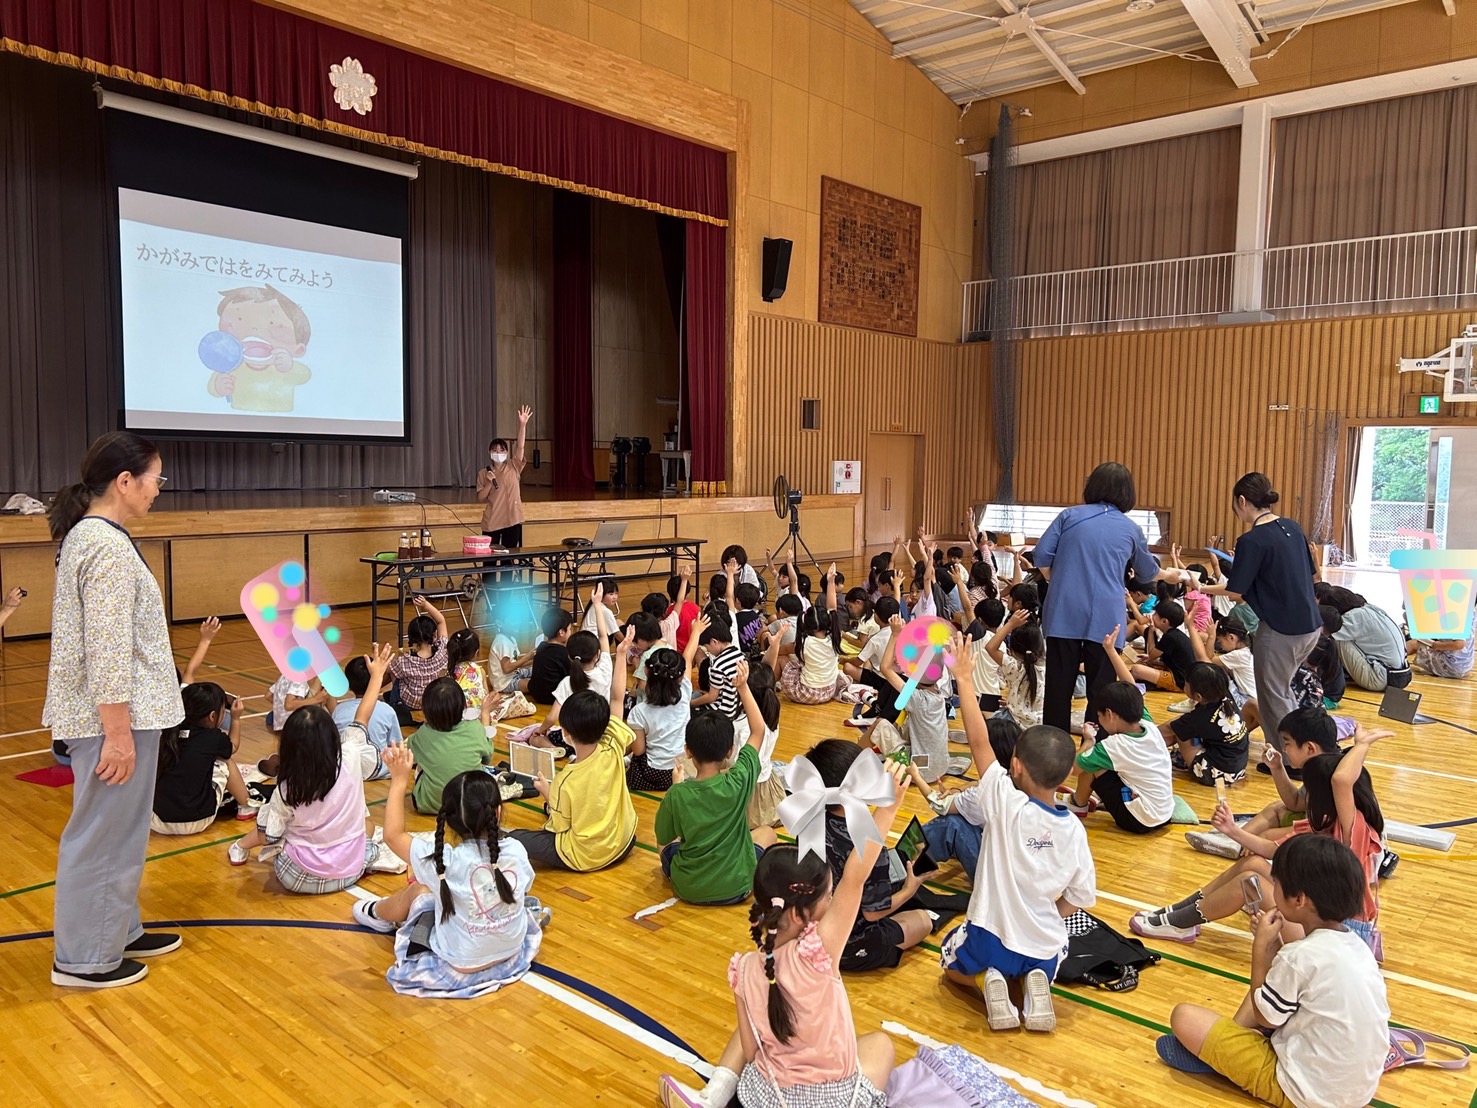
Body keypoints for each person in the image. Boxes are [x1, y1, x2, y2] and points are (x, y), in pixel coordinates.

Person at [658, 784, 911, 1108]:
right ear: (796, 912)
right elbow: (855, 877)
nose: (832, 902)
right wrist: (888, 809)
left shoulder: (746, 967)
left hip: (766, 1099)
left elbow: (751, 1053)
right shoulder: (819, 950)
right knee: (880, 1044)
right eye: (827, 898)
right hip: (835, 1103)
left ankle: (714, 1095)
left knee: (759, 1026)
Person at [44, 431, 184, 988]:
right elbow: (106, 646)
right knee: (103, 833)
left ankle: (116, 928)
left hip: (119, 717)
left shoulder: (96, 538)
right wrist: (118, 734)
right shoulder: (103, 545)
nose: (158, 489)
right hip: (112, 722)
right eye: (155, 479)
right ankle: (83, 959)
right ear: (124, 482)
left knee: (120, 830)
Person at [1156, 835, 1389, 1108]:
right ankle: (1231, 1048)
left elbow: (1266, 1018)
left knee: (1184, 1017)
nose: (1273, 888)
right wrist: (1274, 945)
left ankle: (1222, 1061)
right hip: (1358, 1089)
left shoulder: (1299, 956)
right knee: (1271, 994)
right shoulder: (1356, 947)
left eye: (1277, 884)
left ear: (1300, 899)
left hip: (1306, 1092)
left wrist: (1261, 946)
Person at [940, 642, 1096, 1033]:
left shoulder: (1005, 802)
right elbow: (1078, 897)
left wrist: (962, 677)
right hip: (1042, 943)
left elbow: (978, 742)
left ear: (1015, 765)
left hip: (989, 935)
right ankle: (1033, 981)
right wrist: (1041, 915)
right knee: (1047, 951)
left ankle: (986, 979)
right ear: (1064, 779)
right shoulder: (1074, 830)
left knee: (949, 965)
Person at [1132, 722, 1387, 945]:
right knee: (1252, 863)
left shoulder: (1355, 831)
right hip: (1319, 921)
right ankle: (1178, 913)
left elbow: (1341, 780)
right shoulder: (1321, 824)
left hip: (1341, 937)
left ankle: (1179, 923)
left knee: (1249, 882)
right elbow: (1275, 848)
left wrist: (1362, 745)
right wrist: (1231, 830)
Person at [351, 746, 547, 998]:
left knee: (419, 893)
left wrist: (399, 780)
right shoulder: (516, 850)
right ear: (497, 812)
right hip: (512, 951)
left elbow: (392, 836)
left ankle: (376, 912)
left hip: (460, 961)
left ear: (448, 820)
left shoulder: (447, 860)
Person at [228, 644, 402, 892]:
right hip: (350, 870)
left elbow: (268, 835)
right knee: (368, 828)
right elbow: (362, 716)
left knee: (280, 826)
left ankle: (239, 847)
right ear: (333, 735)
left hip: (298, 878)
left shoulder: (288, 787)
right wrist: (377, 676)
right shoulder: (350, 755)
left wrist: (241, 846)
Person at [1032, 462, 1165, 736]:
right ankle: (1095, 747)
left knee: (1058, 684)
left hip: (1063, 610)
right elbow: (1148, 571)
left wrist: (1055, 579)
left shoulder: (1069, 516)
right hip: (1107, 615)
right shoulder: (1131, 528)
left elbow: (1041, 555)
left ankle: (1052, 746)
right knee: (1102, 687)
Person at [1197, 473, 1321, 753]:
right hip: (1311, 626)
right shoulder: (1292, 527)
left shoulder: (1252, 540)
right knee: (1283, 691)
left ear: (1242, 501)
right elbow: (1311, 574)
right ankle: (1296, 749)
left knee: (1273, 696)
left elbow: (1236, 590)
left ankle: (1290, 758)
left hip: (1281, 630)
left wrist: (1202, 588)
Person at [508, 628, 638, 871]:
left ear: (565, 734)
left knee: (513, 839)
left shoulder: (566, 778)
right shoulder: (613, 744)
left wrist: (548, 792)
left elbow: (561, 824)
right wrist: (620, 655)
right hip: (624, 841)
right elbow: (617, 699)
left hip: (586, 856)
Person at [655, 660, 779, 905]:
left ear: (688, 751)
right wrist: (742, 688)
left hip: (688, 889)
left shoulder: (677, 794)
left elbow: (664, 836)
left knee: (668, 843)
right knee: (766, 833)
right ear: (730, 750)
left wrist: (676, 786)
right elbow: (758, 731)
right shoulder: (739, 779)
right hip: (740, 886)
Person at [806, 739, 934, 973]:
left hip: (809, 934)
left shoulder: (808, 819)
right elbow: (872, 913)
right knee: (923, 920)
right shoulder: (869, 843)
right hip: (846, 944)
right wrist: (909, 890)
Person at [914, 716, 1022, 881]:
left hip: (997, 878)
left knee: (951, 824)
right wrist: (958, 789)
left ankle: (904, 861)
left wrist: (915, 775)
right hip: (1017, 869)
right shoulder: (1020, 780)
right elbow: (977, 784)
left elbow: (940, 804)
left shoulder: (982, 794)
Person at [1065, 677, 1174, 835]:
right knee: (1102, 761)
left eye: (1100, 717)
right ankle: (1091, 797)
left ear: (1109, 714)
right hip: (1165, 813)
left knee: (1093, 760)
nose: (1100, 721)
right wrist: (1111, 650)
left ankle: (1078, 802)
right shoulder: (1148, 725)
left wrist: (1088, 741)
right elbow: (1130, 684)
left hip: (1138, 820)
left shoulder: (1114, 745)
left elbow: (1073, 769)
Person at [151, 683, 255, 834]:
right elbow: (232, 747)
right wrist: (236, 719)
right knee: (225, 760)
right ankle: (246, 805)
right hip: (196, 820)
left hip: (156, 820)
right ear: (212, 716)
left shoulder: (168, 734)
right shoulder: (212, 737)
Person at [407, 677, 494, 813]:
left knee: (422, 763)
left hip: (429, 804)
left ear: (426, 709)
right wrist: (485, 715)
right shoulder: (475, 728)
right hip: (471, 804)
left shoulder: (422, 735)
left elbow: (409, 758)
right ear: (463, 707)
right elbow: (487, 758)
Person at [1323, 585, 1411, 691]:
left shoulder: (1354, 616)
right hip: (1398, 675)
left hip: (1381, 679)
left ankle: (1330, 681)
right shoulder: (1369, 608)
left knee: (1334, 638)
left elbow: (1321, 635)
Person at [331, 656, 403, 781]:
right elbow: (396, 744)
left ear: (348, 685)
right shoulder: (387, 710)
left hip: (349, 767)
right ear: (378, 681)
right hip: (379, 768)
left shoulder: (339, 710)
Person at [477, 403, 533, 556]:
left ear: (507, 452)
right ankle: (488, 582)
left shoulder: (513, 466)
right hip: (492, 521)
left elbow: (520, 447)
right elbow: (481, 497)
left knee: (508, 559)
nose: (498, 453)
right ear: (489, 452)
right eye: (495, 450)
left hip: (511, 519)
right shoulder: (484, 473)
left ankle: (507, 581)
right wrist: (489, 482)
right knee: (489, 560)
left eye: (502, 450)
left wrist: (522, 425)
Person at [387, 596, 449, 723]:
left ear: (411, 638)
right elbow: (441, 621)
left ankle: (396, 701)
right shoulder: (443, 649)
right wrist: (425, 605)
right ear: (434, 634)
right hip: (432, 700)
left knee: (394, 671)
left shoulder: (405, 661)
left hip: (410, 703)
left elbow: (386, 669)